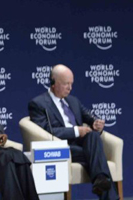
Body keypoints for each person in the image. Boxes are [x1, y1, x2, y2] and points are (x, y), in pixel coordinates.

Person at [28, 64, 117, 200]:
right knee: (97, 157)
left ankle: (100, 179)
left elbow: (89, 118)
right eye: (66, 84)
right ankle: (106, 188)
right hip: (62, 147)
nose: (70, 88)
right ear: (53, 82)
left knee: (93, 135)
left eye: (71, 83)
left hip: (83, 144)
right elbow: (47, 131)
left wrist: (95, 124)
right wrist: (76, 131)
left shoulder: (73, 101)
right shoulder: (38, 104)